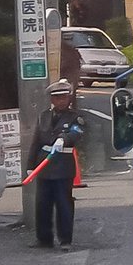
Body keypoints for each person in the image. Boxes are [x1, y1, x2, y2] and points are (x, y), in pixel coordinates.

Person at [26, 79, 85, 251]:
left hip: (62, 167)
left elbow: (77, 133)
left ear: (69, 98)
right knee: (42, 205)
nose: (61, 101)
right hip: (43, 166)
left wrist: (64, 139)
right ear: (52, 99)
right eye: (57, 98)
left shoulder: (75, 117)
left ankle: (65, 239)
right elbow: (36, 141)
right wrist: (30, 165)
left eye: (64, 97)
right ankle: (44, 239)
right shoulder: (43, 116)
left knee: (63, 205)